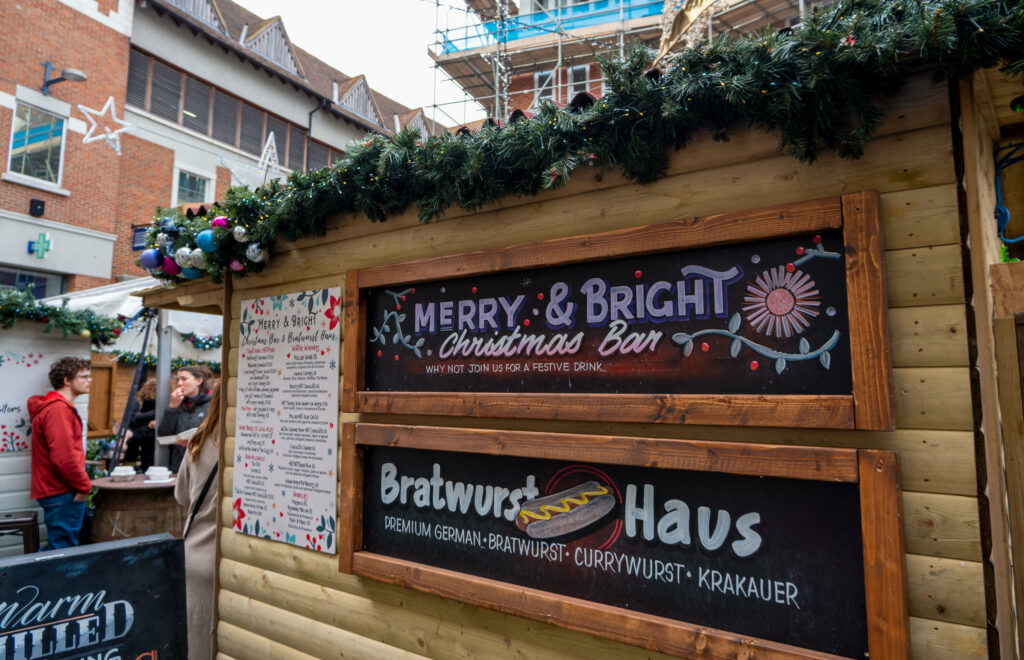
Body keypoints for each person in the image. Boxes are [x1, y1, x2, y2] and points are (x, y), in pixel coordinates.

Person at [28, 357, 93, 550]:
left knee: (62, 547)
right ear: (67, 380)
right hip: (61, 491)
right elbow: (63, 458)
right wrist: (84, 487)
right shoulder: (58, 410)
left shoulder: (55, 407)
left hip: (57, 490)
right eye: (84, 376)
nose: (90, 380)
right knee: (61, 550)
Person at [174, 381, 220, 660]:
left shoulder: (198, 439)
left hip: (192, 553)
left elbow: (181, 496)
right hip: (222, 559)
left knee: (195, 642)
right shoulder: (248, 445)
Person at [157, 365, 213, 473]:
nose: (179, 383)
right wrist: (172, 407)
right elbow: (164, 433)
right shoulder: (179, 403)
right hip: (180, 466)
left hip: (203, 466)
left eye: (184, 379)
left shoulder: (212, 404)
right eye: (178, 379)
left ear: (199, 381)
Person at [125, 378, 157, 470]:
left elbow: (135, 436)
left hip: (145, 454)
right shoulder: (162, 409)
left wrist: (130, 457)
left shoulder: (140, 410)